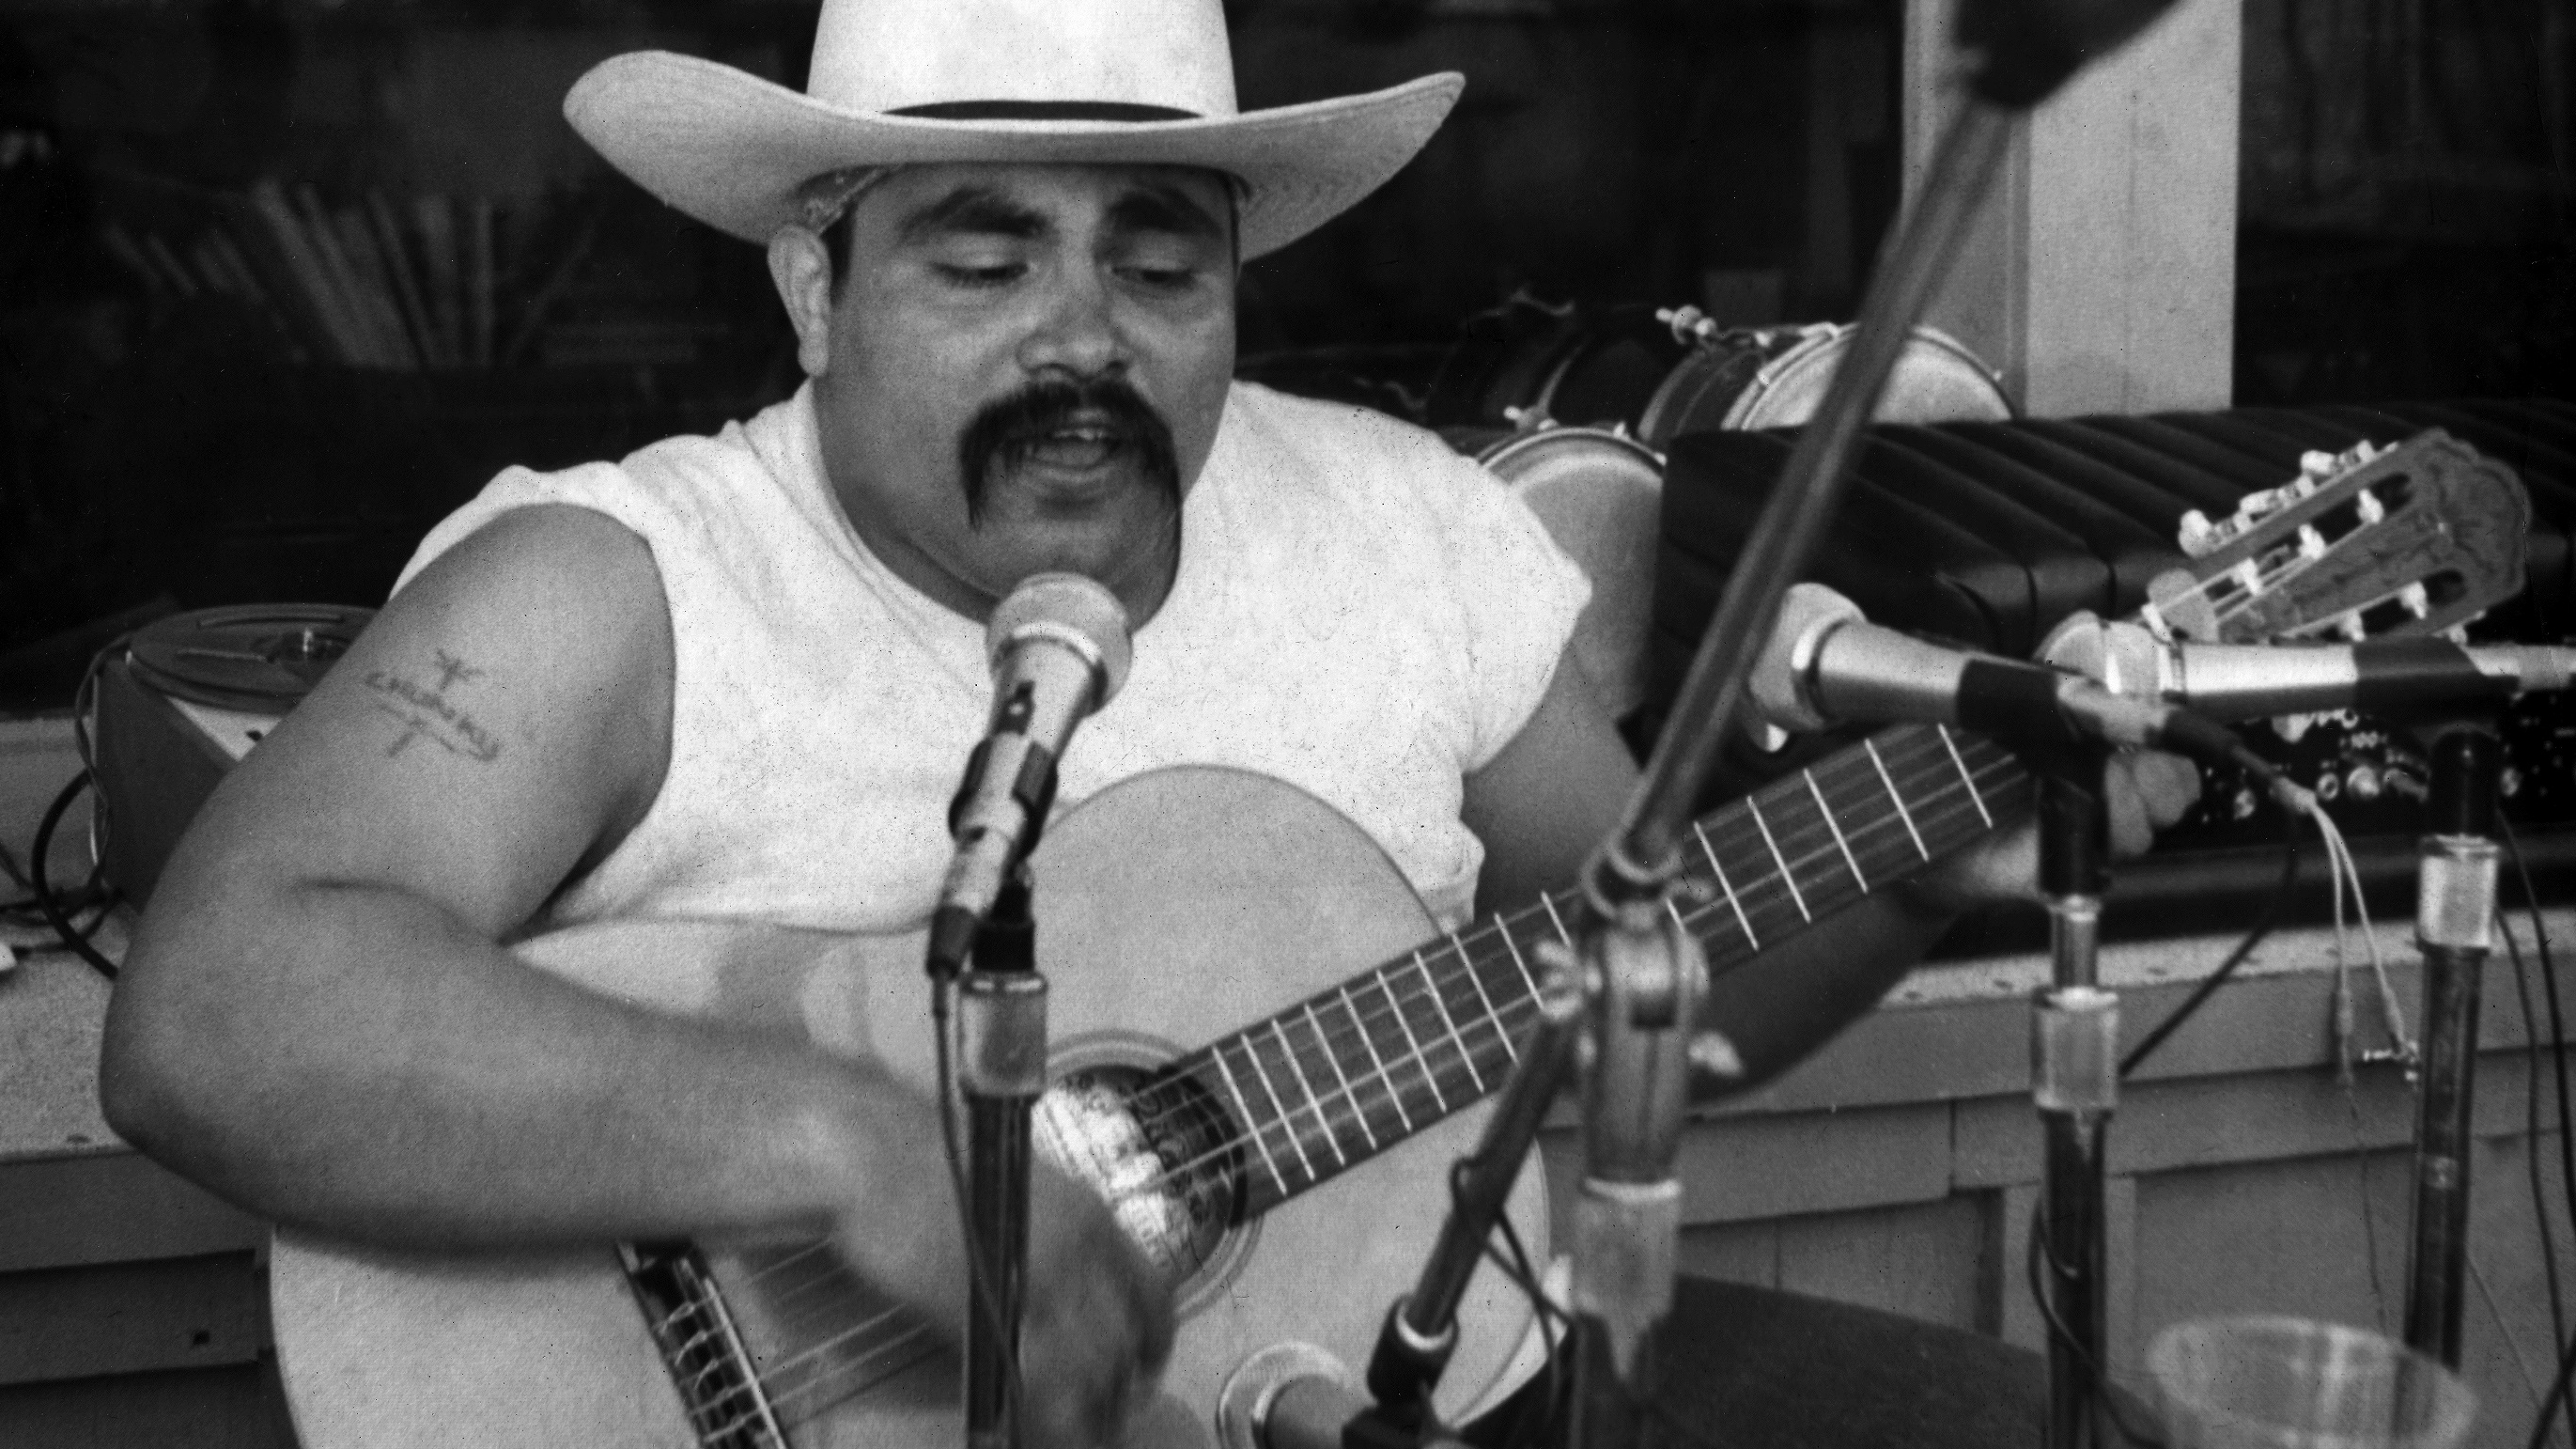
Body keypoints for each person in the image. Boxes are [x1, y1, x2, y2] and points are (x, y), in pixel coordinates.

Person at [98, 1, 2196, 1445]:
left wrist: (1949, 852)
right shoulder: (620, 586)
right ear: (815, 291)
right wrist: (854, 1153)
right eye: (983, 259)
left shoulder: (1400, 531)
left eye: (1159, 264)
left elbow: (1652, 994)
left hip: (1409, 1378)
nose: (1083, 334)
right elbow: (217, 1013)